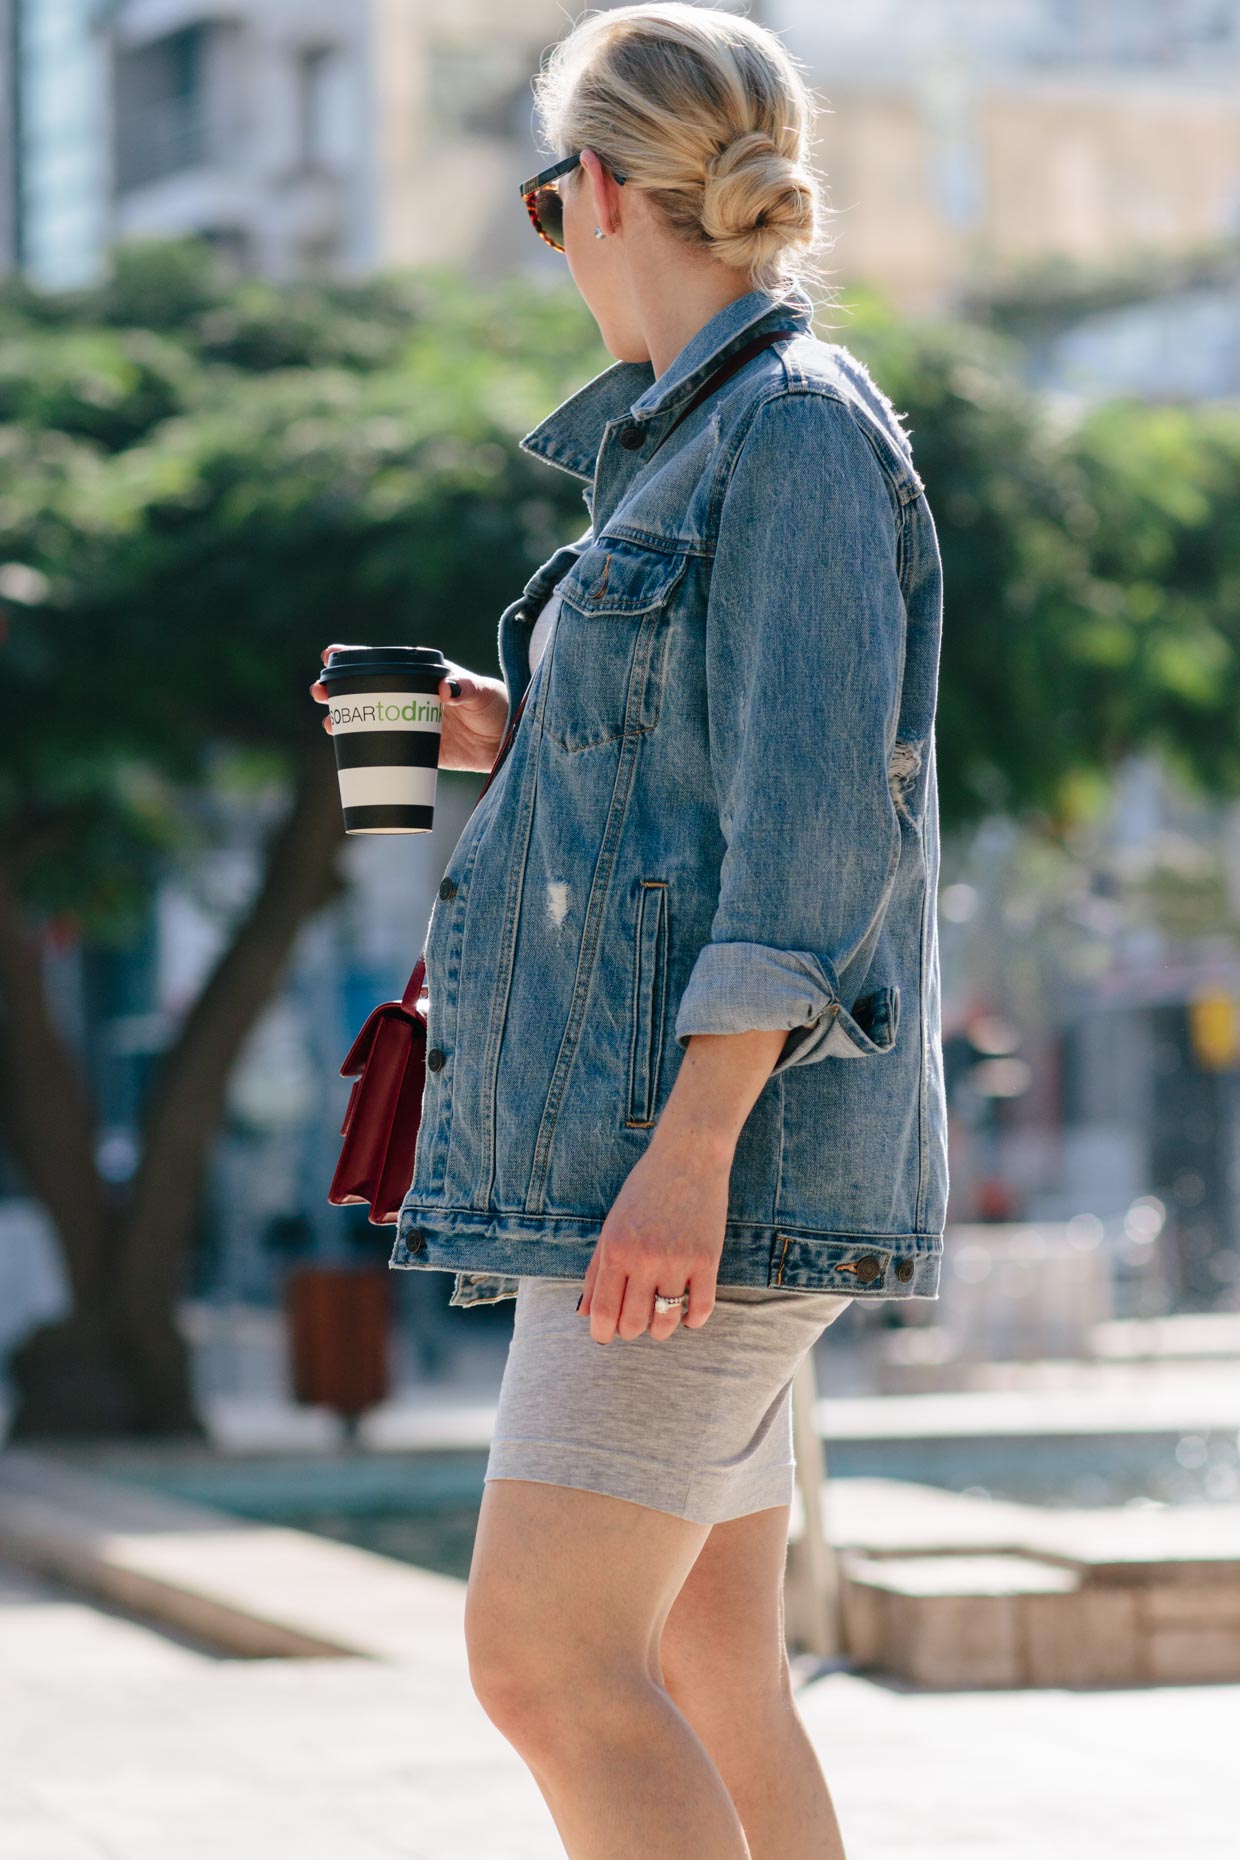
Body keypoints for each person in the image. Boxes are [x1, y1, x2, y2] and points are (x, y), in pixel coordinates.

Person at [313, 6, 948, 1854]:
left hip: (696, 1175)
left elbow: (823, 840)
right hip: (663, 1160)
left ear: (592, 189)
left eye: (542, 200)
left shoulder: (796, 439)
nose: (553, 234)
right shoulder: (690, 453)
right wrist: (524, 740)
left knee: (547, 1663)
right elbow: (724, 777)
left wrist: (686, 1157)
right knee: (692, 1671)